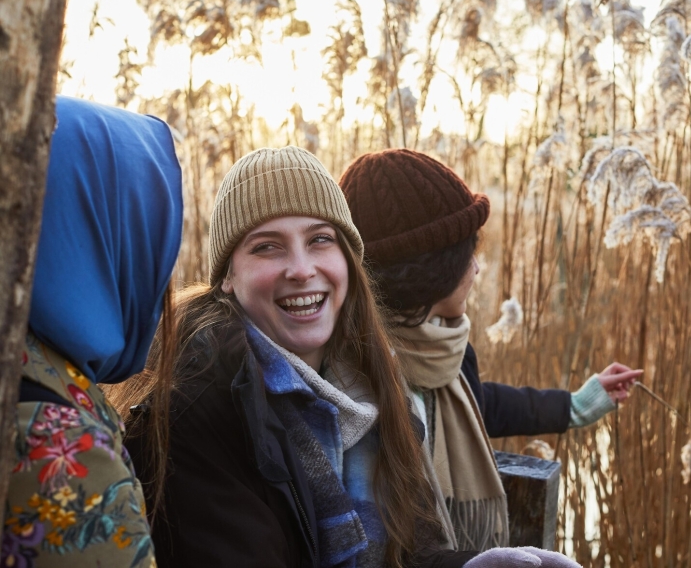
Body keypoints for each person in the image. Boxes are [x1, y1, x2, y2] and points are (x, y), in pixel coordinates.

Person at [121, 146, 474, 568]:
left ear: (348, 259)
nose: (301, 269)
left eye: (320, 239)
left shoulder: (375, 384)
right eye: (267, 247)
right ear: (228, 277)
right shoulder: (192, 410)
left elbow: (413, 554)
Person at [339, 149, 644, 552]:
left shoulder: (445, 345)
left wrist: (577, 405)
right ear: (435, 268)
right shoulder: (358, 378)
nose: (477, 269)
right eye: (468, 254)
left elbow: (483, 404)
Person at [2, 96, 183, 567]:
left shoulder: (27, 371)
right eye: (154, 245)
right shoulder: (61, 449)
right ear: (106, 238)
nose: (162, 281)